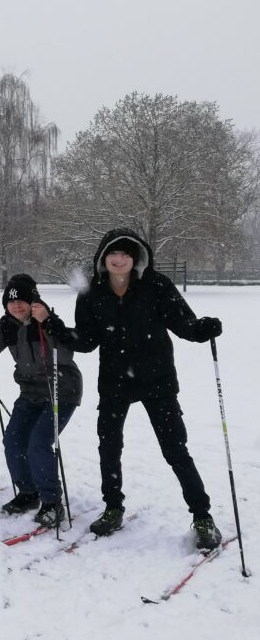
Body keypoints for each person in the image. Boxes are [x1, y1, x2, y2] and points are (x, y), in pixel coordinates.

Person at [58, 228, 223, 550]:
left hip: (156, 380)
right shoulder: (92, 292)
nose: (119, 259)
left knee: (175, 449)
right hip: (114, 382)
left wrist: (202, 329)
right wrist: (59, 331)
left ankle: (202, 515)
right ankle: (113, 507)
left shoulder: (157, 286)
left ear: (136, 258)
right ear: (103, 259)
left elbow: (184, 324)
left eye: (126, 254)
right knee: (109, 446)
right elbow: (88, 341)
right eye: (113, 254)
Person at [0, 274, 82, 527]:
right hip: (30, 393)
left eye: (21, 300)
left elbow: (66, 353)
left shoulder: (48, 320)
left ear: (33, 301)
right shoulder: (9, 325)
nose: (16, 306)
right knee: (13, 439)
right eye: (11, 302)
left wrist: (49, 325)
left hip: (61, 391)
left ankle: (52, 502)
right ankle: (28, 493)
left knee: (39, 442)